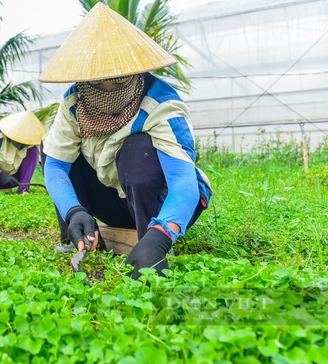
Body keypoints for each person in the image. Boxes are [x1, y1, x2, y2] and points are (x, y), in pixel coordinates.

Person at [38, 3, 212, 279]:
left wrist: (161, 236)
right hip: (116, 201)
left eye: (118, 80)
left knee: (137, 149)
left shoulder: (162, 104)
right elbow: (56, 167)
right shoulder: (74, 104)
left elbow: (183, 181)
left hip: (165, 202)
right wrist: (74, 211)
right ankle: (79, 234)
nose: (109, 90)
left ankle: (149, 240)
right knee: (50, 149)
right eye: (99, 81)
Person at [0, 110, 47, 194]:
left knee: (33, 152)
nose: (22, 144)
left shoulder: (34, 140)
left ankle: (24, 190)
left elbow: (46, 163)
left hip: (15, 180)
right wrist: (0, 175)